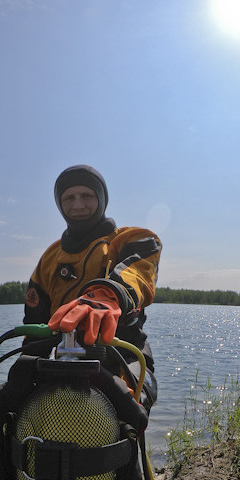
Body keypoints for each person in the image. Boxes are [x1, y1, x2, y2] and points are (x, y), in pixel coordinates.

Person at [23, 164, 162, 410]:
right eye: (69, 198)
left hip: (124, 357)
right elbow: (34, 328)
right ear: (59, 203)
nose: (77, 205)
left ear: (102, 198)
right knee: (11, 394)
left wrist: (108, 295)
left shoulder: (129, 239)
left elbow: (138, 270)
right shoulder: (49, 257)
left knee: (128, 409)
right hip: (65, 363)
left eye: (86, 196)